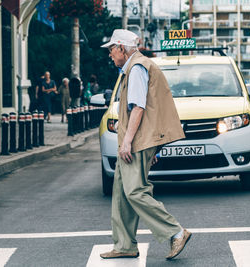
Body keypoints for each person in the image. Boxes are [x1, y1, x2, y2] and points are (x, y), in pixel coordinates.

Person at [99, 29, 191, 261]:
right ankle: (125, 245)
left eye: (111, 49)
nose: (110, 54)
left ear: (121, 48)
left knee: (134, 191)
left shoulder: (137, 68)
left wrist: (129, 142)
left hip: (135, 141)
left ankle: (176, 232)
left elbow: (138, 107)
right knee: (121, 194)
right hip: (139, 140)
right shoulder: (135, 67)